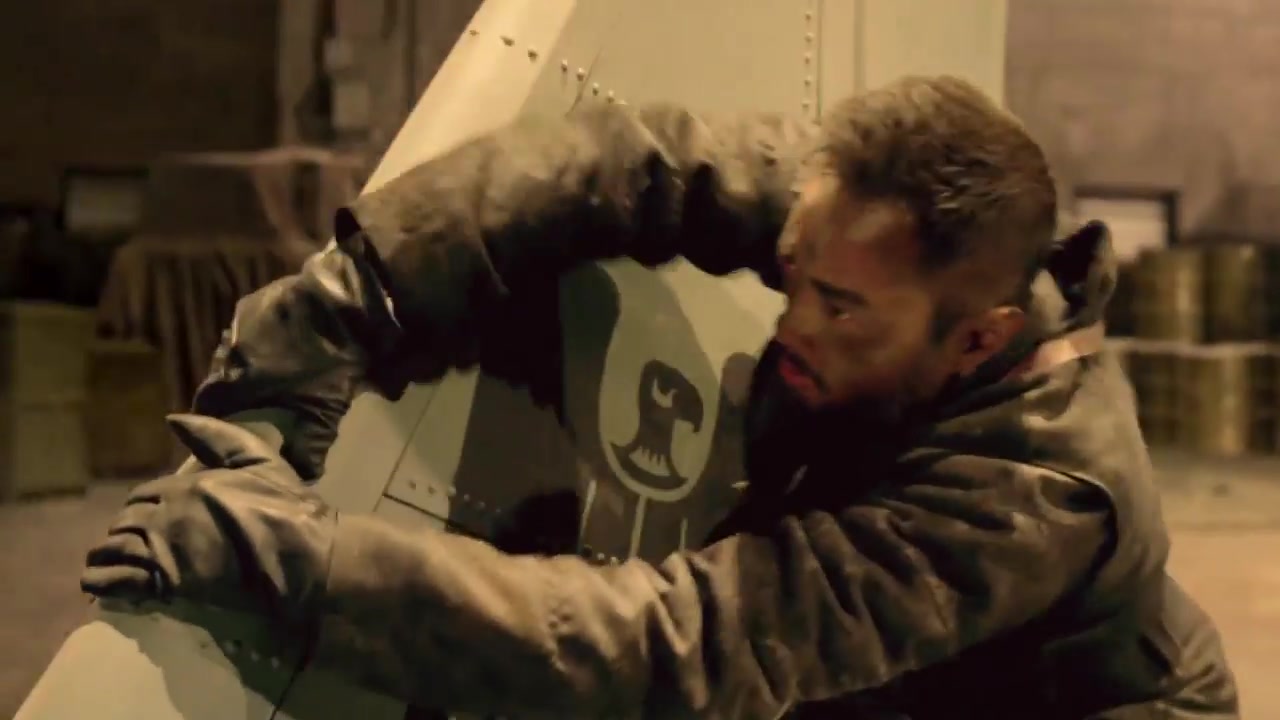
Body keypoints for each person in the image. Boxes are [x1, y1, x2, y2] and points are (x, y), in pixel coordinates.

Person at [80, 75, 1238, 719]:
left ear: (978, 338)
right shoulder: (870, 229)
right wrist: (353, 293)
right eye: (792, 271)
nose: (792, 322)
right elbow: (628, 162)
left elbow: (688, 641)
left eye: (840, 310)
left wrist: (304, 566)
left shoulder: (1030, 499)